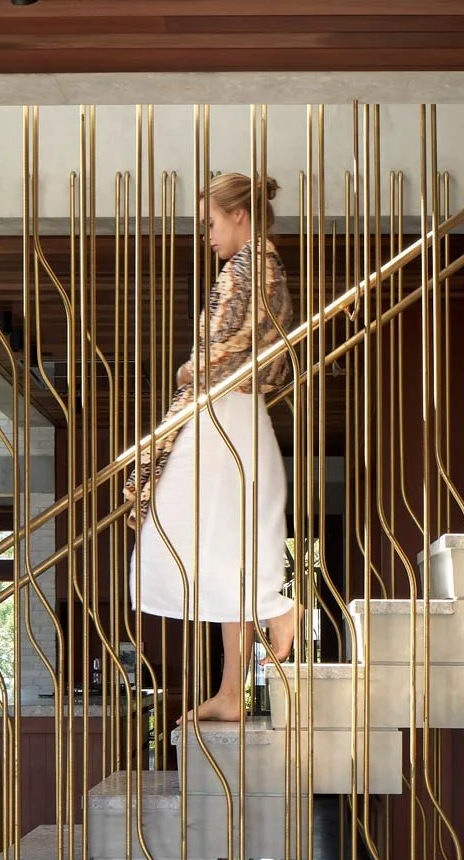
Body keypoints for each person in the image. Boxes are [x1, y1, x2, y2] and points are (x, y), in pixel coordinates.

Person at [125, 171, 298, 724]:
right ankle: (229, 689)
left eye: (211, 223)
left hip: (223, 414)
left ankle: (277, 609)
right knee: (225, 548)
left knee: (177, 526)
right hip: (231, 414)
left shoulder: (250, 268)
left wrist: (189, 369)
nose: (208, 235)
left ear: (238, 215)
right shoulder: (257, 267)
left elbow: (231, 349)